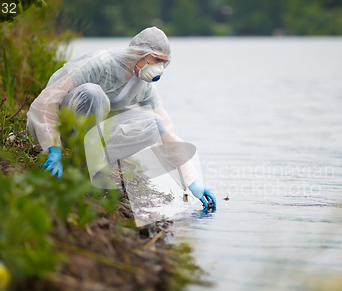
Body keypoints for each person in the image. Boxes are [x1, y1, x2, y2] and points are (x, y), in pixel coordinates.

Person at [26, 27, 216, 209]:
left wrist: (191, 180)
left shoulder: (144, 86)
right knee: (93, 93)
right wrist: (53, 148)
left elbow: (169, 134)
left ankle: (89, 167)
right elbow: (48, 99)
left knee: (156, 124)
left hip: (90, 138)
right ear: (139, 52)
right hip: (66, 127)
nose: (160, 68)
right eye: (156, 60)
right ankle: (75, 162)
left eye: (163, 62)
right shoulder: (101, 63)